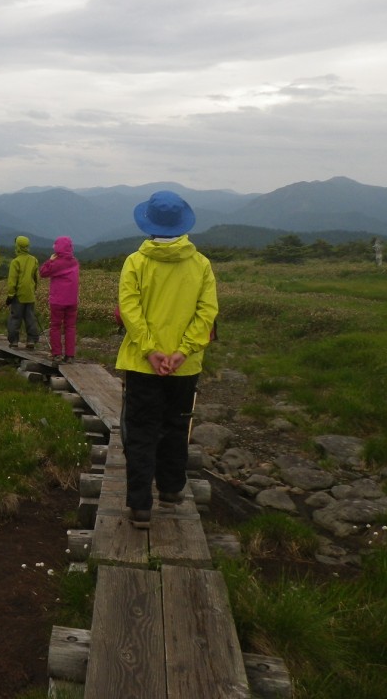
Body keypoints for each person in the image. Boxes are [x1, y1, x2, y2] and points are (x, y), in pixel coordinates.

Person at [116, 190, 218, 530]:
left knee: (142, 431)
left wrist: (150, 350)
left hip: (142, 365)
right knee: (176, 425)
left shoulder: (136, 262)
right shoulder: (201, 265)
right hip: (184, 366)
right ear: (182, 224)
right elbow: (207, 315)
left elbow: (129, 311)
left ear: (149, 223)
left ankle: (140, 507)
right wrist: (182, 352)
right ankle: (172, 490)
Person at [39, 236, 80, 364]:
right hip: (72, 300)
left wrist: (50, 260)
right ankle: (70, 355)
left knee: (56, 326)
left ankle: (57, 354)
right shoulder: (74, 262)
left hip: (58, 301)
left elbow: (43, 272)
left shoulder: (57, 263)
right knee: (70, 327)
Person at [5, 235, 40, 348]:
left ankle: (14, 341)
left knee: (15, 317)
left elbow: (12, 281)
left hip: (18, 296)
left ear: (18, 246)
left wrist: (10, 295)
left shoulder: (16, 262)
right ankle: (31, 340)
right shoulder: (34, 260)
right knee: (30, 318)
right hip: (30, 295)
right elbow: (36, 278)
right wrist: (33, 290)